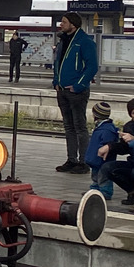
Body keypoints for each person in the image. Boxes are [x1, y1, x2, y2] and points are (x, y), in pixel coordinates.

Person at [52, 12, 98, 174]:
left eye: (64, 22)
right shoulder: (63, 41)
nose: (61, 24)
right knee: (68, 126)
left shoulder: (85, 42)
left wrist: (79, 85)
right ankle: (71, 159)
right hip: (62, 90)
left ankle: (84, 161)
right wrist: (56, 81)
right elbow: (57, 63)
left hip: (76, 91)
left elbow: (92, 66)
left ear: (73, 24)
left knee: (79, 127)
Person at [98, 97, 134, 206]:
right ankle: (133, 191)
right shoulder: (129, 126)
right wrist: (110, 146)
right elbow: (124, 148)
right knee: (108, 168)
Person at [84, 102, 119, 200]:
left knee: (103, 177)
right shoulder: (102, 127)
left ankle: (105, 192)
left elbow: (106, 144)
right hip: (96, 160)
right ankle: (95, 190)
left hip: (101, 159)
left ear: (96, 115)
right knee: (96, 176)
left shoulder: (106, 129)